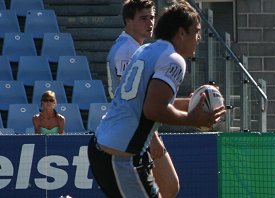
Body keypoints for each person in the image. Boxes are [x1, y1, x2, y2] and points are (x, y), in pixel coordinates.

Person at [88, 1, 226, 197]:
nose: (199, 38)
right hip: (119, 156)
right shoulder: (174, 60)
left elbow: (144, 101)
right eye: (196, 31)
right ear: (180, 33)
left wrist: (191, 103)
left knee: (168, 189)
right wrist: (192, 119)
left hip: (106, 147)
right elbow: (153, 110)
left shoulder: (146, 50)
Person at [106, 0, 180, 197]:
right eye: (143, 18)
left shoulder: (133, 47)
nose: (150, 23)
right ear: (128, 21)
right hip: (130, 132)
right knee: (168, 186)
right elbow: (132, 98)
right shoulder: (126, 50)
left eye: (152, 18)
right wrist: (153, 139)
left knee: (167, 187)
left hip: (136, 129)